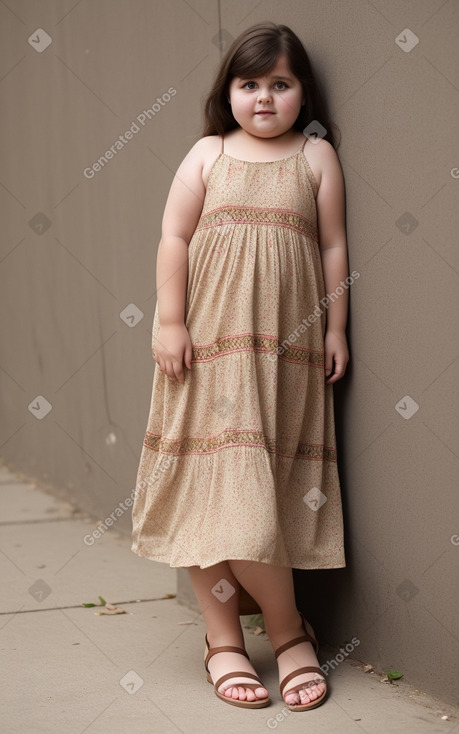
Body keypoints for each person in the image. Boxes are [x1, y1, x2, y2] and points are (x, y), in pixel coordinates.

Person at [131, 21, 350, 712]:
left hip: (281, 358)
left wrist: (336, 326)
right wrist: (168, 321)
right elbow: (173, 236)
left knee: (259, 501)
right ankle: (230, 637)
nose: (262, 98)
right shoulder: (206, 155)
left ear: (301, 93)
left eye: (279, 85)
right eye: (248, 84)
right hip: (204, 352)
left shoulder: (314, 159)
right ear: (226, 92)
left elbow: (334, 250)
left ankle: (285, 633)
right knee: (206, 493)